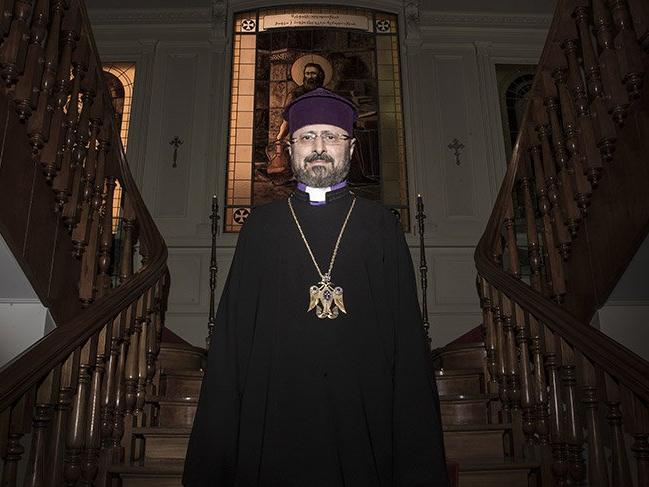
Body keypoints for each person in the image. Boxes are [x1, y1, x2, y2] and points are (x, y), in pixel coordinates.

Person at [183, 88, 450, 487]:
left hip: (362, 408)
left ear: (351, 148)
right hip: (275, 410)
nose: (319, 148)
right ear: (290, 149)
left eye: (331, 136)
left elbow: (406, 339)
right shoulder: (262, 228)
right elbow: (233, 339)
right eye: (307, 136)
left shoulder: (380, 226)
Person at [267, 63, 326, 175]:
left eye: (313, 73)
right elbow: (287, 118)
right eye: (307, 73)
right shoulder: (295, 94)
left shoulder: (325, 94)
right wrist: (280, 137)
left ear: (320, 75)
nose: (310, 77)